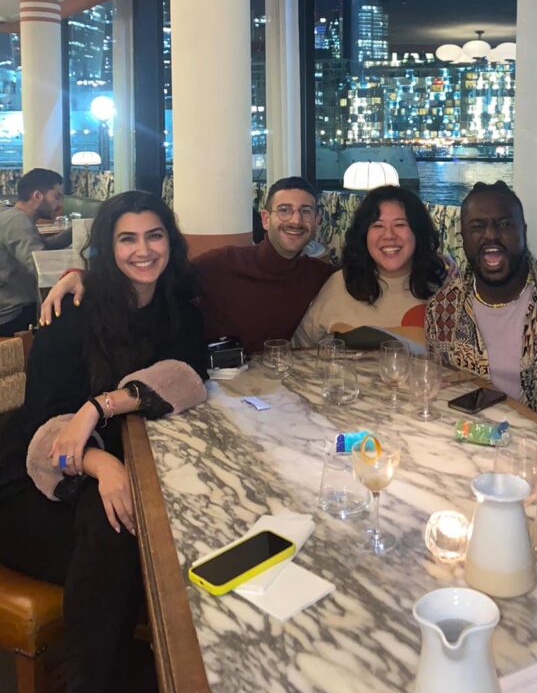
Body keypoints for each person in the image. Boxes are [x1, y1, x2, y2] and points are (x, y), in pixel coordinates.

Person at [0, 190, 208, 692]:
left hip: (105, 476)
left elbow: (188, 375)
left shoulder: (177, 306)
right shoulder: (73, 310)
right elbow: (41, 425)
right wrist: (101, 465)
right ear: (107, 249)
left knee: (132, 527)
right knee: (120, 530)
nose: (143, 250)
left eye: (154, 235)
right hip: (26, 488)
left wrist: (99, 407)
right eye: (127, 239)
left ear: (170, 242)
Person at [40, 176, 335, 355]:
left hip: (272, 388)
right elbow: (153, 276)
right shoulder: (222, 264)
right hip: (206, 376)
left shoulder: (319, 276)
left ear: (317, 221)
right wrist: (81, 275)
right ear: (265, 219)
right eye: (284, 210)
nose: (296, 220)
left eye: (305, 211)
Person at [425, 181, 537, 419]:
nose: (491, 235)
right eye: (477, 227)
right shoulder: (442, 308)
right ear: (463, 238)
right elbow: (440, 388)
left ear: (524, 232)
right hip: (469, 440)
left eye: (505, 224)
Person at [294, 185, 446, 352]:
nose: (389, 235)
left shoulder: (442, 287)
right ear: (364, 235)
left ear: (418, 232)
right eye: (378, 226)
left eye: (400, 225)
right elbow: (299, 348)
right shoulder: (341, 284)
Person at [0, 167, 67, 336]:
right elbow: (40, 266)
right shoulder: (17, 221)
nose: (60, 204)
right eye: (57, 196)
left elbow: (43, 247)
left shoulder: (13, 216)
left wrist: (77, 232)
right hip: (13, 314)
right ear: (37, 196)